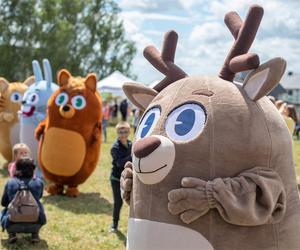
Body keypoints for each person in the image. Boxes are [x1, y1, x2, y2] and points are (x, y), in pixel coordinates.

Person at [1, 157, 46, 243]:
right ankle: (35, 235)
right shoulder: (39, 182)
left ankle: (11, 234)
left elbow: (3, 202)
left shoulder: (10, 182)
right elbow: (39, 197)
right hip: (35, 222)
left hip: (12, 223)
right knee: (39, 207)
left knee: (3, 212)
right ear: (33, 168)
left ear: (16, 168)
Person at [110, 122, 132, 232]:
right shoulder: (115, 147)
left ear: (129, 132)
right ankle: (114, 224)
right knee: (118, 202)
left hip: (129, 179)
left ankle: (133, 224)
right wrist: (132, 156)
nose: (123, 134)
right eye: (120, 132)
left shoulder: (131, 144)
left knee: (133, 202)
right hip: (116, 179)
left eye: (125, 131)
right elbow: (119, 163)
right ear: (117, 133)